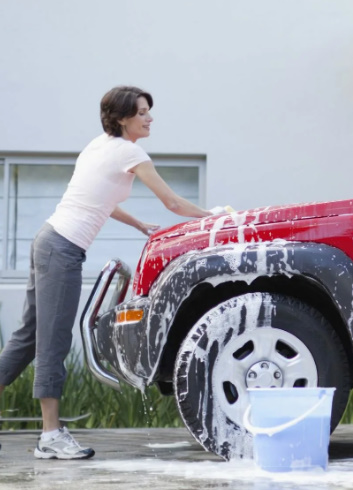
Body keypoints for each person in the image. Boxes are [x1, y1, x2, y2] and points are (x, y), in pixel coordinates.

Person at [0, 86, 219, 459]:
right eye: (142, 112)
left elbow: (97, 198)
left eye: (150, 111)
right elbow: (172, 201)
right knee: (52, 342)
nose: (150, 118)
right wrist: (217, 217)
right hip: (63, 249)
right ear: (122, 118)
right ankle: (50, 436)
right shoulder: (131, 152)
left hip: (49, 239)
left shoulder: (98, 146)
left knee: (25, 339)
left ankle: (50, 433)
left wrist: (137, 224)